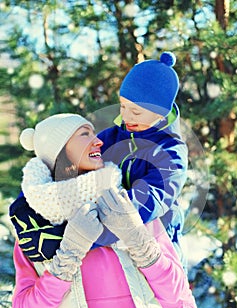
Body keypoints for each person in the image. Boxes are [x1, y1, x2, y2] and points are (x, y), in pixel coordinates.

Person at [11, 113, 216, 308]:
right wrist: (68, 255)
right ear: (59, 150)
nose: (98, 141)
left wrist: (139, 241)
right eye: (84, 134)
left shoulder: (127, 206)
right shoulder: (35, 232)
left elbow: (176, 294)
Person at [10, 51, 188, 266]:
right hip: (110, 251)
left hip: (154, 249)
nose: (127, 116)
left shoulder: (170, 152)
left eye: (136, 112)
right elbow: (61, 162)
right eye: (123, 106)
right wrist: (27, 206)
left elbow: (144, 203)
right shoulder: (112, 137)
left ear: (161, 112)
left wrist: (74, 237)